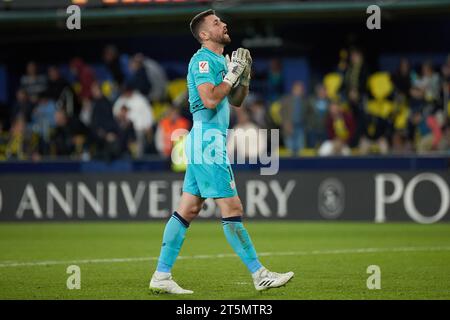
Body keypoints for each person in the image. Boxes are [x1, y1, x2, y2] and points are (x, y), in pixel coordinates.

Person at [149, 9, 294, 294]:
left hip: (208, 140)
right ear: (204, 35)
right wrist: (230, 74)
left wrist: (244, 75)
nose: (224, 24)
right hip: (207, 142)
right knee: (232, 208)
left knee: (189, 208)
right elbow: (210, 99)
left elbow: (236, 100)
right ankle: (259, 274)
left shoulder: (219, 60)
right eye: (216, 23)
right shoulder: (203, 60)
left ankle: (161, 275)